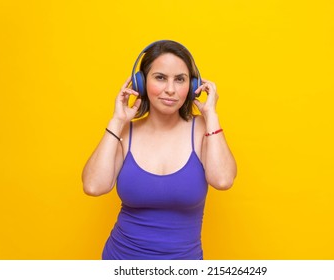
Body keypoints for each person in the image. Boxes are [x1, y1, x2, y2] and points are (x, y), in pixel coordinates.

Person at [82, 40, 237, 260]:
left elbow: (222, 180)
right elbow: (93, 186)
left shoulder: (203, 130)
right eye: (160, 77)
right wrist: (117, 121)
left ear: (193, 87)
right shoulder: (125, 133)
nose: (171, 89)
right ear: (141, 83)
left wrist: (211, 116)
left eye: (180, 79)